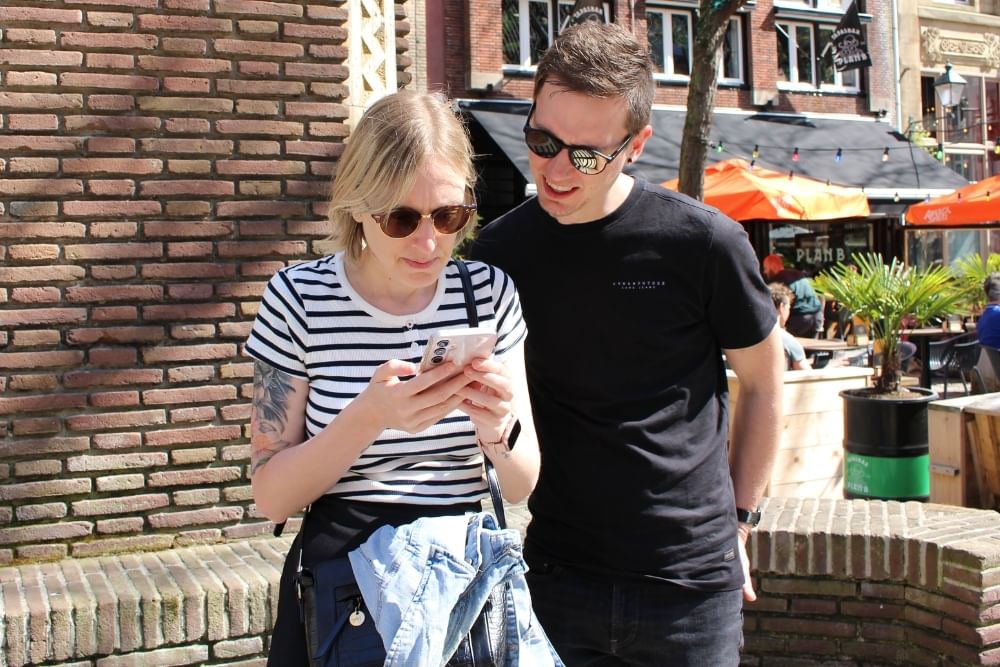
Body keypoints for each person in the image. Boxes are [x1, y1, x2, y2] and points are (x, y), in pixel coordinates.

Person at [470, 22, 784, 667]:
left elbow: (763, 381)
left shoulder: (704, 243)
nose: (556, 169)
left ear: (636, 145)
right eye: (541, 141)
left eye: (586, 154)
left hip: (690, 587)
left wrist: (742, 519)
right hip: (554, 576)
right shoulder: (500, 252)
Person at [244, 90, 540, 666]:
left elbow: (521, 482)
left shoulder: (488, 294)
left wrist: (497, 424)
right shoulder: (299, 298)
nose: (428, 242)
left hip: (464, 583)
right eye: (401, 218)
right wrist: (370, 416)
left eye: (448, 216)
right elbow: (270, 493)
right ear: (357, 205)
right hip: (347, 582)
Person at [762, 254, 825, 338]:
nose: (764, 272)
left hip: (799, 319)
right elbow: (819, 295)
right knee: (812, 349)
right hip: (816, 317)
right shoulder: (796, 274)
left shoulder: (778, 280)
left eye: (765, 268)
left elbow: (782, 306)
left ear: (772, 267)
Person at [769, 282, 812, 370]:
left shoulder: (748, 334)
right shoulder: (786, 340)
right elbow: (806, 374)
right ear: (781, 307)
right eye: (788, 308)